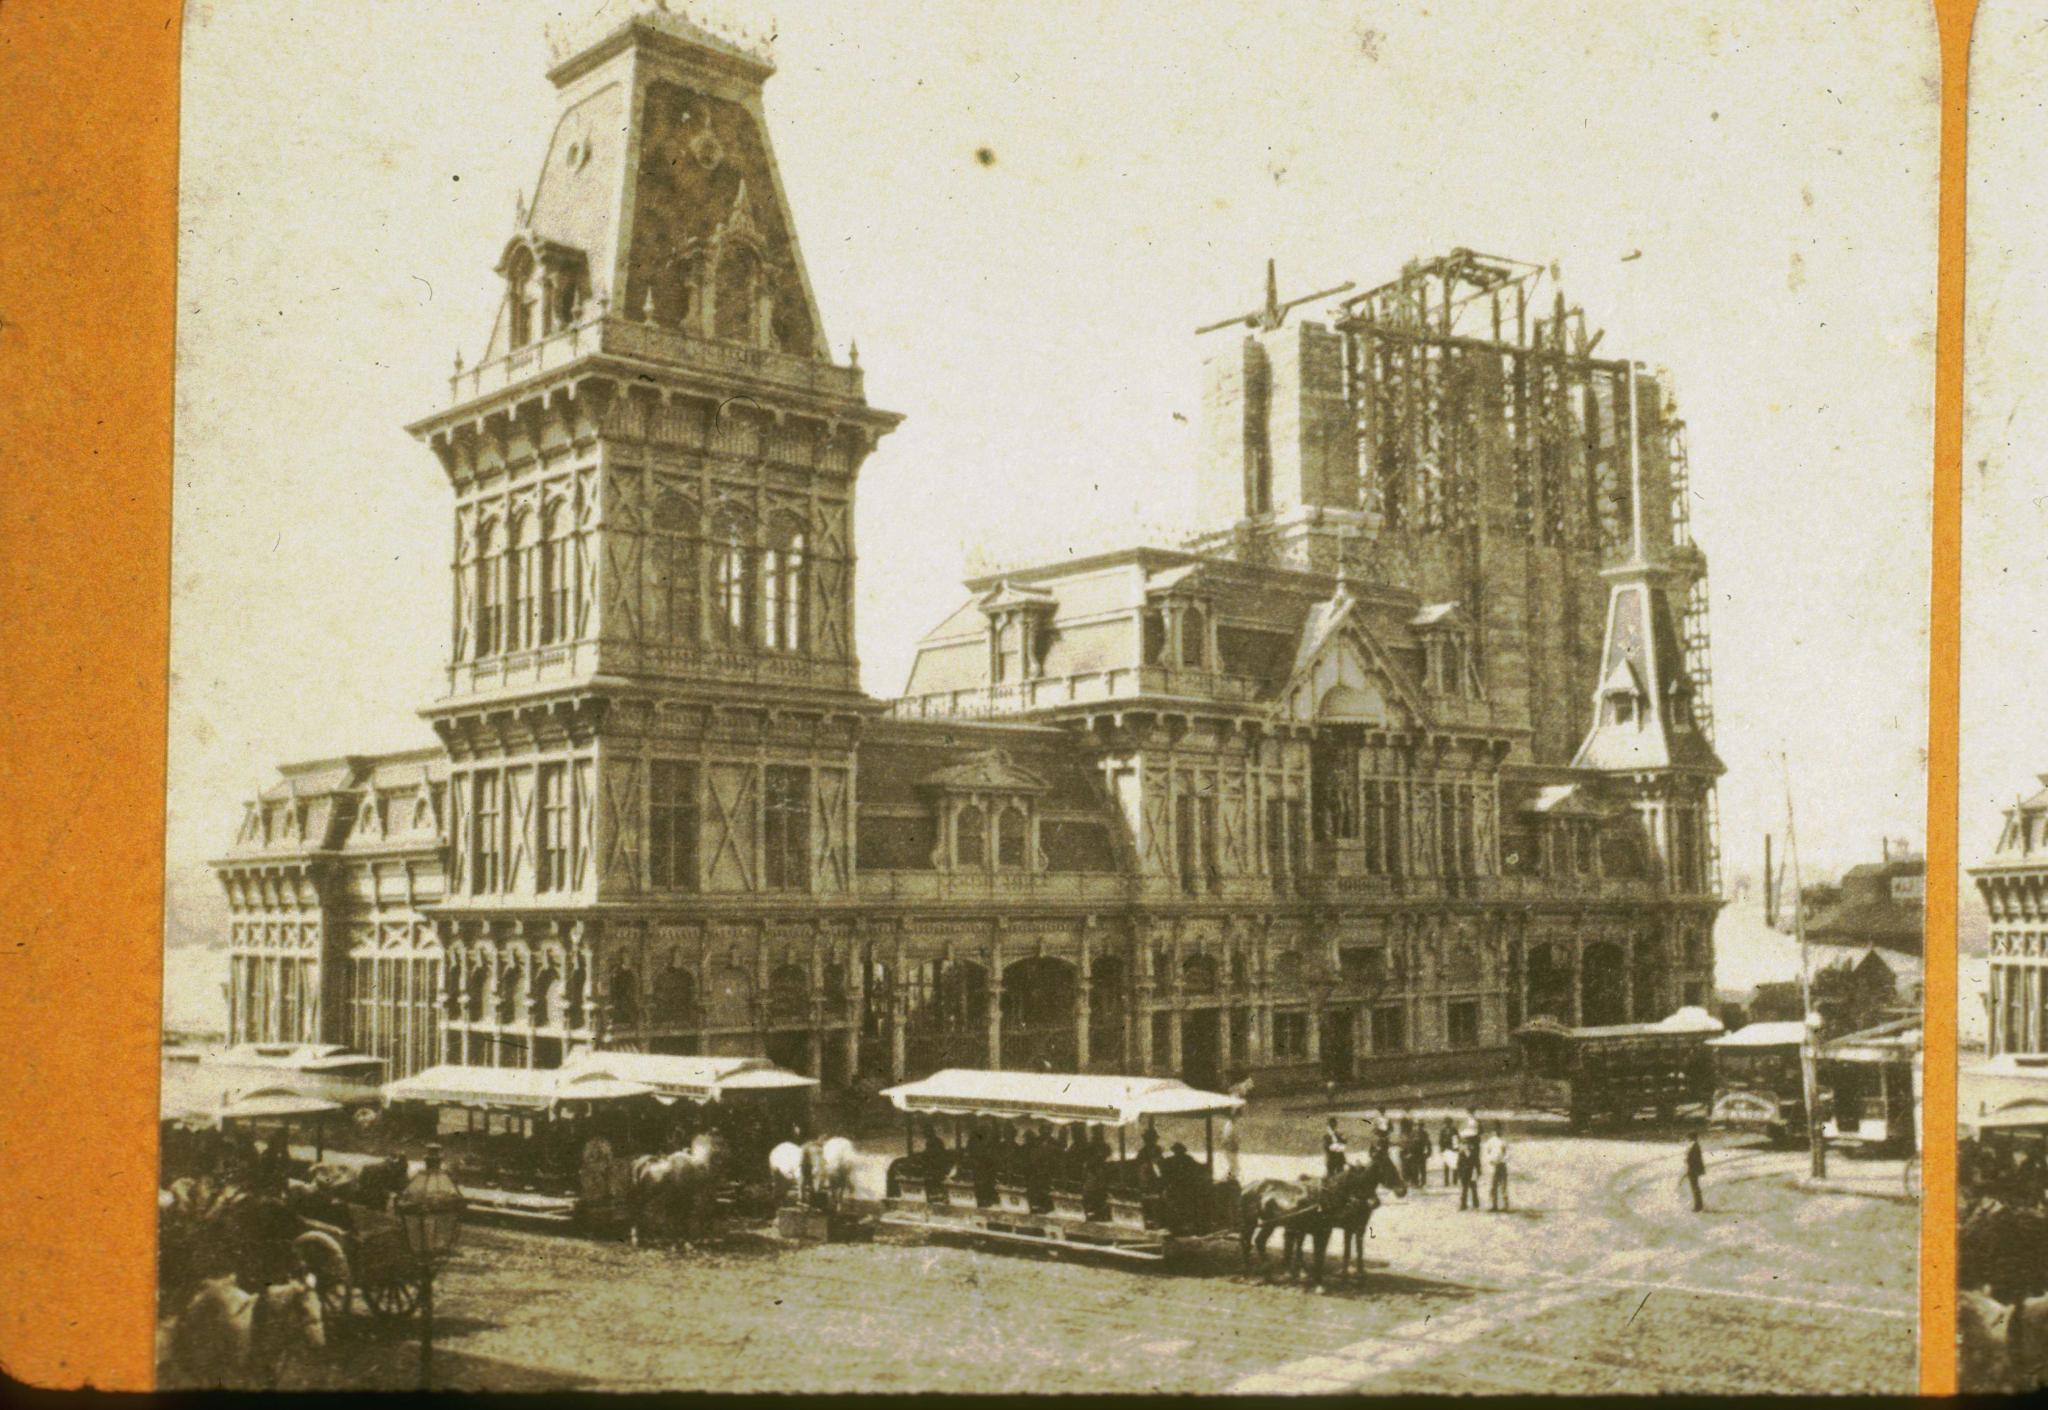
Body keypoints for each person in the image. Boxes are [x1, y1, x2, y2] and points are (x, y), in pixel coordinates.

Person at [1484, 1123, 1510, 1211]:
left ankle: (1505, 1205)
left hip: (1502, 1165)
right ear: (1493, 1131)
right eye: (1496, 1130)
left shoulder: (1504, 1141)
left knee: (1503, 1185)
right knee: (1493, 1185)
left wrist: (1503, 1160)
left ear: (1501, 1131)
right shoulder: (1490, 1141)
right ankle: (1494, 1205)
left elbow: (1508, 1153)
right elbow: (1486, 1152)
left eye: (1499, 1130)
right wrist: (1490, 1160)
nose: (1497, 1132)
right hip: (1493, 1165)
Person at [1457, 1131, 1482, 1211]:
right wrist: (1459, 1173)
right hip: (1464, 1172)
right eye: (1465, 1144)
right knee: (1464, 1189)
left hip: (1472, 1172)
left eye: (1468, 1144)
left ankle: (1475, 1204)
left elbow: (1477, 1162)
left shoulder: (1474, 1152)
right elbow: (1459, 1164)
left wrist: (1478, 1171)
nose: (1466, 1145)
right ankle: (1463, 1204)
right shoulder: (1462, 1153)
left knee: (1473, 1188)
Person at [1684, 1132, 1707, 1212]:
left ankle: (1698, 1206)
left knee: (1695, 1187)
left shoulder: (1694, 1146)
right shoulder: (1695, 1145)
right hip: (1694, 1169)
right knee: (1695, 1187)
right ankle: (1698, 1205)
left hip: (1693, 1169)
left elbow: (1692, 1159)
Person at [1219, 1112, 1242, 1184]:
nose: (1238, 1119)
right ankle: (1225, 1180)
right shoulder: (1230, 1125)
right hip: (1230, 1148)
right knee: (1234, 1168)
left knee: (1234, 1167)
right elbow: (1229, 1138)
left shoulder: (1230, 1125)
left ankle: (1226, 1180)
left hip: (1230, 1148)